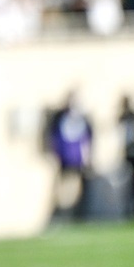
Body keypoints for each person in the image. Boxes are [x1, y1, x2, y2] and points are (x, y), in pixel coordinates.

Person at [47, 91, 93, 221]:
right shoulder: (60, 118)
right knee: (62, 191)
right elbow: (54, 138)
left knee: (79, 191)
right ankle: (62, 215)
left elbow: (89, 138)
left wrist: (88, 157)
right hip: (65, 160)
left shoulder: (83, 119)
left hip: (79, 161)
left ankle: (78, 215)